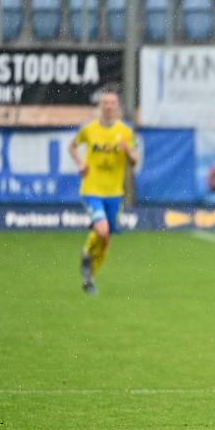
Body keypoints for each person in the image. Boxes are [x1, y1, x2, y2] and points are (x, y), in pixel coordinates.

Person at [68, 88, 138, 295]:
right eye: (105, 103)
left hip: (115, 193)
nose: (108, 107)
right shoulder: (89, 130)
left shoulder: (126, 131)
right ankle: (86, 254)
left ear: (117, 108)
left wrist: (127, 151)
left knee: (105, 240)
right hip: (91, 189)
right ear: (100, 106)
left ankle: (89, 278)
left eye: (112, 104)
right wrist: (80, 163)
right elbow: (72, 147)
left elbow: (134, 162)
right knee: (102, 230)